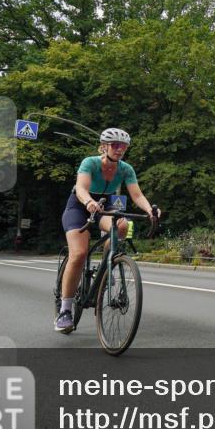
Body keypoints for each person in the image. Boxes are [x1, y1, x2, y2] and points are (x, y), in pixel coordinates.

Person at [55, 128, 159, 333]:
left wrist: (150, 210)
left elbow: (137, 195)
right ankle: (65, 310)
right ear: (104, 146)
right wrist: (88, 202)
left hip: (105, 206)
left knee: (122, 225)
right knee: (79, 254)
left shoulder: (126, 169)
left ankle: (107, 263)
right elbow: (82, 188)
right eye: (115, 145)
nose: (120, 150)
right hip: (79, 205)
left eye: (124, 146)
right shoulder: (90, 163)